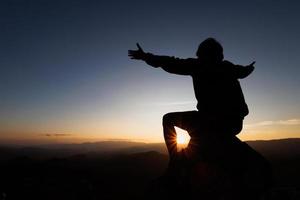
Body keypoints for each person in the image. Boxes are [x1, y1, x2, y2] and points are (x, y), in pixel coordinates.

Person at [128, 38, 255, 165]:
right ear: (219, 55)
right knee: (197, 132)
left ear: (201, 54)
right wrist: (249, 68)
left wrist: (145, 57)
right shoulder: (228, 67)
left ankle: (175, 160)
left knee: (168, 119)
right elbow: (243, 72)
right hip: (234, 124)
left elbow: (171, 62)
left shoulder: (198, 65)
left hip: (211, 121)